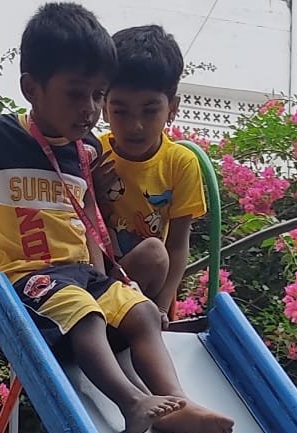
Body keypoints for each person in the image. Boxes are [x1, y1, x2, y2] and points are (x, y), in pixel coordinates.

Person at [0, 3, 232, 433]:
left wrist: (108, 278)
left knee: (142, 312)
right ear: (32, 88)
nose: (91, 109)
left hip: (81, 274)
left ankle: (176, 402)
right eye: (77, 94)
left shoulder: (87, 150)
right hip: (24, 278)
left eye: (98, 95)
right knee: (85, 311)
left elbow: (89, 219)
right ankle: (130, 402)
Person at [94, 24, 206, 315]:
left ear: (172, 108)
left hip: (147, 291)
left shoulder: (180, 163)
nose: (136, 126)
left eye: (149, 110)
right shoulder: (91, 152)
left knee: (154, 253)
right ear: (104, 107)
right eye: (121, 111)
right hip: (93, 284)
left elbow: (178, 246)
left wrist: (162, 304)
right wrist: (89, 193)